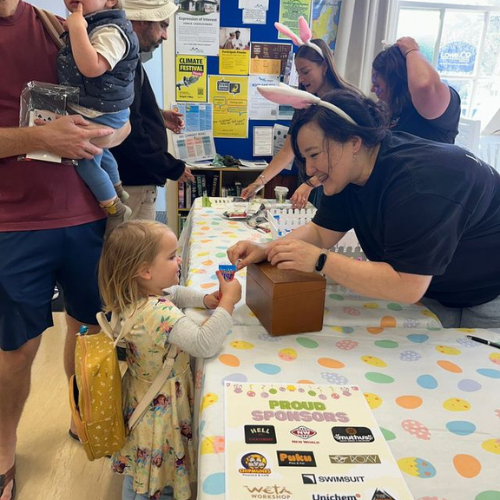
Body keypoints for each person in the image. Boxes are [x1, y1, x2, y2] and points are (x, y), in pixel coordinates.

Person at [228, 86, 500, 329]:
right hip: (439, 288)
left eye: (314, 154)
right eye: (304, 159)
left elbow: (407, 285)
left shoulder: (417, 184)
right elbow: (320, 232)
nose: (309, 170)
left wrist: (320, 260)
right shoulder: (349, 172)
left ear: (354, 142)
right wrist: (267, 249)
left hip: (489, 292)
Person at [0, 0, 130, 498]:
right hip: (14, 221)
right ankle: (4, 448)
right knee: (16, 348)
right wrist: (38, 137)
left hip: (86, 214)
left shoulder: (59, 28)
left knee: (91, 328)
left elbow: (125, 117)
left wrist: (106, 133)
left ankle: (82, 415)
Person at [99, 220, 241, 500]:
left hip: (140, 398)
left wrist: (206, 300)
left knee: (140, 470)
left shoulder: (133, 295)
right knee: (159, 480)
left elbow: (175, 293)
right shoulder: (160, 313)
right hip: (161, 410)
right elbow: (204, 343)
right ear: (145, 270)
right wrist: (228, 303)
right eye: (172, 256)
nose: (179, 261)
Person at [241, 17, 360, 209]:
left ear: (324, 67)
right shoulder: (305, 102)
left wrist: (311, 183)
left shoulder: (344, 102)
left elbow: (346, 155)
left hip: (338, 187)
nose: (302, 79)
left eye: (306, 71)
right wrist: (259, 182)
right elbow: (288, 150)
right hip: (310, 185)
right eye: (299, 73)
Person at [58, 0, 139, 234]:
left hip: (103, 110)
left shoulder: (111, 31)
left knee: (84, 158)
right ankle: (117, 188)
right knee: (100, 152)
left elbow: (92, 67)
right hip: (100, 107)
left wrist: (76, 28)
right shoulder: (97, 24)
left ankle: (115, 209)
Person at [111, 0, 194, 221]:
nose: (165, 36)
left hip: (134, 184)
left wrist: (158, 115)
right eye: (163, 26)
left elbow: (130, 111)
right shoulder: (122, 63)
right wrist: (171, 167)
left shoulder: (128, 59)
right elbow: (130, 132)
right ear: (142, 21)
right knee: (134, 244)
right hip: (132, 186)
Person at [371, 36, 461, 144]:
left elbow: (424, 86)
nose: (372, 90)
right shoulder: (393, 108)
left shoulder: (435, 100)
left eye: (377, 85)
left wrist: (411, 51)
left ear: (397, 83)